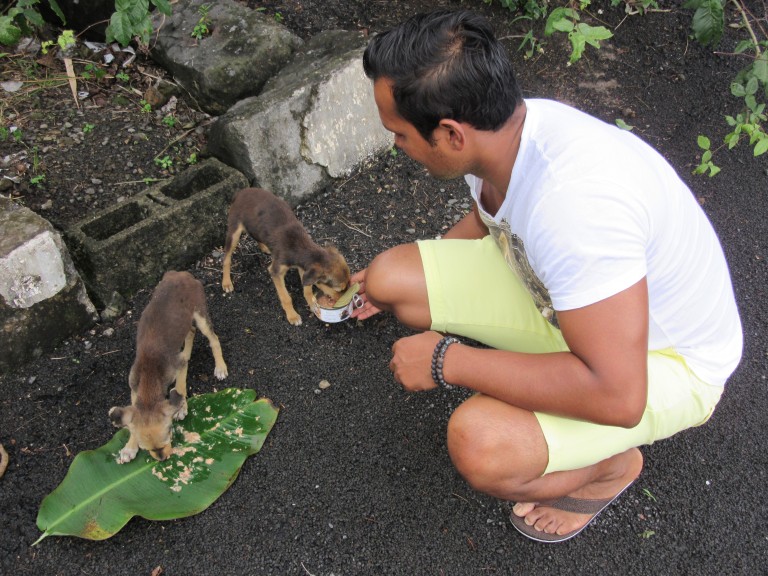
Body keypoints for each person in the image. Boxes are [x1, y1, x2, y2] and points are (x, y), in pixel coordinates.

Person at [350, 9, 743, 543]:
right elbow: (490, 215)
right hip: (575, 309)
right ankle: (544, 366)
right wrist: (421, 281)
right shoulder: (512, 129)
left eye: (399, 134)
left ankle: (610, 469)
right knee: (391, 279)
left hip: (662, 363)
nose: (398, 147)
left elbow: (619, 395)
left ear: (449, 134)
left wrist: (448, 360)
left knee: (481, 444)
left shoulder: (576, 210)